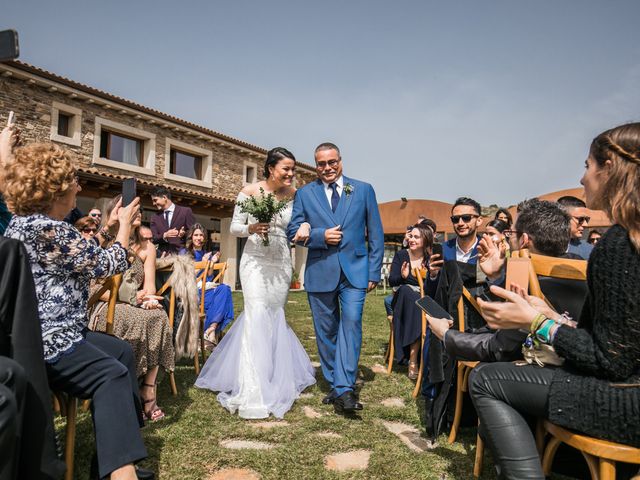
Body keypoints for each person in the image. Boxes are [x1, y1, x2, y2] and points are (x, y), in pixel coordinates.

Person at [470, 123, 640, 479]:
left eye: (587, 165)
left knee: (486, 379)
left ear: (608, 168)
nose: (581, 179)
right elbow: (623, 340)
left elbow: (610, 362)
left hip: (626, 403)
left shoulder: (620, 246)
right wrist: (551, 315)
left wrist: (536, 323)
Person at [1, 143, 151, 480]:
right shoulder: (51, 231)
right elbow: (107, 265)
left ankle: (113, 455)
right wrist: (125, 225)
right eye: (73, 181)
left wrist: (108, 229)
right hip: (53, 342)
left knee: (122, 352)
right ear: (56, 190)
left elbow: (80, 253)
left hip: (42, 336)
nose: (79, 187)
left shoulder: (25, 226)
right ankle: (121, 473)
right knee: (110, 373)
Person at [196, 147, 315, 419]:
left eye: (293, 169)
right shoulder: (249, 192)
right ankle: (253, 385)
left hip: (281, 262)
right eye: (286, 168)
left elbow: (296, 226)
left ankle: (274, 377)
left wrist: (304, 228)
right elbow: (235, 227)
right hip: (254, 262)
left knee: (274, 315)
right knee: (256, 314)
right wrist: (251, 228)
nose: (291, 174)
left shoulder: (295, 196)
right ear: (271, 168)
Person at [287, 142, 385, 415]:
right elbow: (292, 231)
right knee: (326, 331)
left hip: (355, 271)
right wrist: (320, 236)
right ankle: (335, 382)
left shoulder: (363, 190)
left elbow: (376, 233)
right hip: (320, 271)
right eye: (321, 163)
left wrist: (374, 271)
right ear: (315, 165)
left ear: (340, 161)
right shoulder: (305, 194)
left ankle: (344, 387)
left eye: (332, 162)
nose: (327, 168)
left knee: (351, 323)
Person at [89, 196, 175, 422]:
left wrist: (147, 299)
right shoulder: (106, 243)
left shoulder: (148, 247)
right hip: (106, 304)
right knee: (133, 319)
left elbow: (148, 286)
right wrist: (125, 298)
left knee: (158, 315)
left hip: (135, 302)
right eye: (132, 210)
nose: (137, 213)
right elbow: (96, 288)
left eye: (138, 211)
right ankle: (127, 383)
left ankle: (148, 388)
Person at [388, 224, 436, 378]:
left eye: (416, 237)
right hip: (403, 300)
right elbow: (392, 281)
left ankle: (426, 358)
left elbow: (435, 286)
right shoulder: (401, 255)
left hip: (426, 300)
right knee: (407, 291)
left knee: (421, 303)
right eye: (411, 236)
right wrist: (402, 276)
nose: (411, 239)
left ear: (425, 239)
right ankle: (413, 360)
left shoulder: (431, 259)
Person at [181, 223, 234, 345]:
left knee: (225, 289)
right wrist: (204, 263)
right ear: (191, 237)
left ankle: (211, 328)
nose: (199, 238)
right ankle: (209, 332)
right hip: (192, 290)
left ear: (205, 237)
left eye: (201, 235)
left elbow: (209, 277)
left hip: (206, 288)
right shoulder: (184, 252)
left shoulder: (206, 253)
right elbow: (187, 277)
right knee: (223, 297)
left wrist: (212, 263)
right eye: (196, 235)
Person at [149, 186, 195, 256]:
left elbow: (194, 232)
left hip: (182, 256)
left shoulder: (185, 211)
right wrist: (165, 235)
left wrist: (184, 233)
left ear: (164, 197)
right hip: (162, 257)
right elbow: (153, 238)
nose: (153, 204)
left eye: (155, 200)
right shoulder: (154, 217)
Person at [557, 195, 593, 259]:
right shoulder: (539, 246)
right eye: (581, 219)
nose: (585, 224)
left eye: (587, 220)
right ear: (562, 218)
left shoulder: (589, 251)